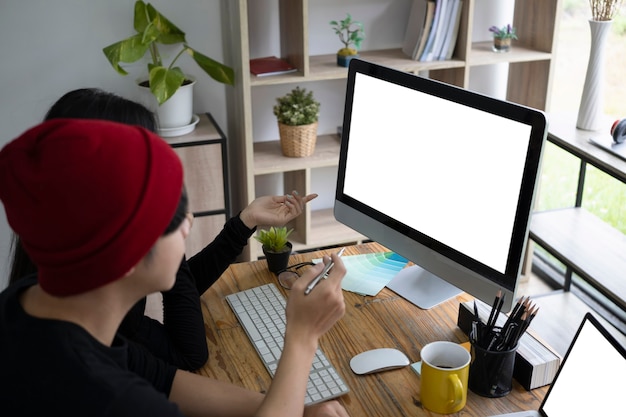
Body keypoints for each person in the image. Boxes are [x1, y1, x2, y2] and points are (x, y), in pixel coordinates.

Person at [0, 118, 348, 417]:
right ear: (127, 253)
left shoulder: (30, 299)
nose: (189, 224)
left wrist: (293, 408)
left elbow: (167, 381)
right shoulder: (114, 400)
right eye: (175, 215)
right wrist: (302, 337)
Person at [7, 88, 318, 371]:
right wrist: (167, 225)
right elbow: (189, 354)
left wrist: (244, 221)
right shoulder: (94, 334)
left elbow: (177, 287)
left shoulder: (60, 281)